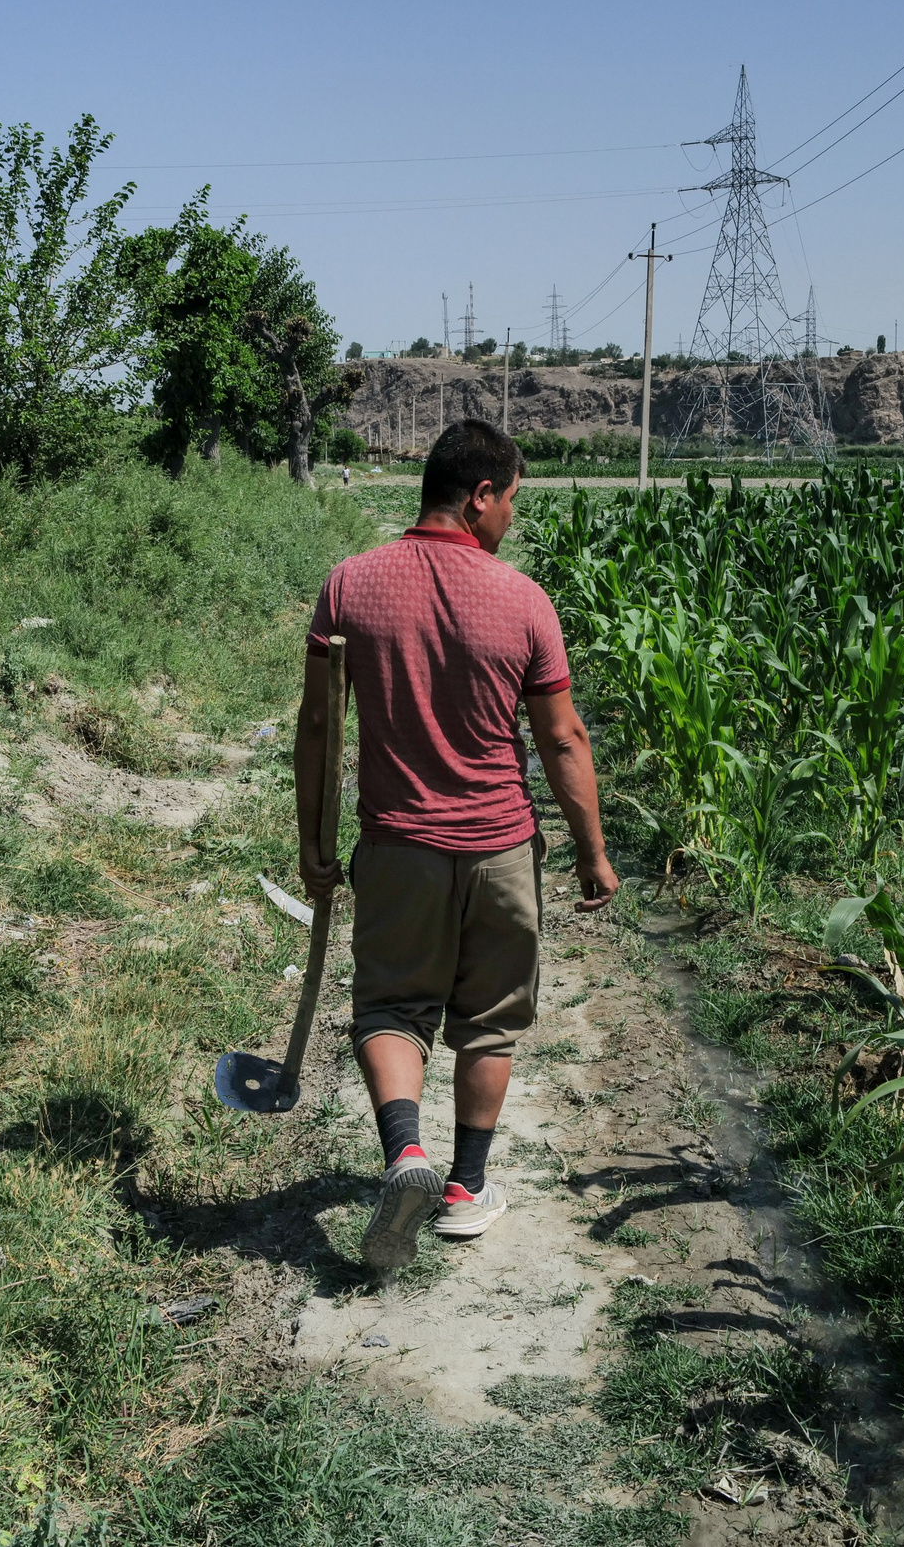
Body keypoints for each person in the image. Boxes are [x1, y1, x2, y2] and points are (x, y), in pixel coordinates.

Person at [297, 418, 618, 1275]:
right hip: (501, 850)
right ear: (480, 496)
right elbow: (561, 739)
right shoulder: (524, 600)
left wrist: (313, 843)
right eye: (511, 499)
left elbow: (320, 727)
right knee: (489, 1022)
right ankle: (466, 1190)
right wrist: (592, 850)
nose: (511, 515)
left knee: (390, 1010)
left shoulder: (350, 586)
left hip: (398, 847)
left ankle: (405, 1153)